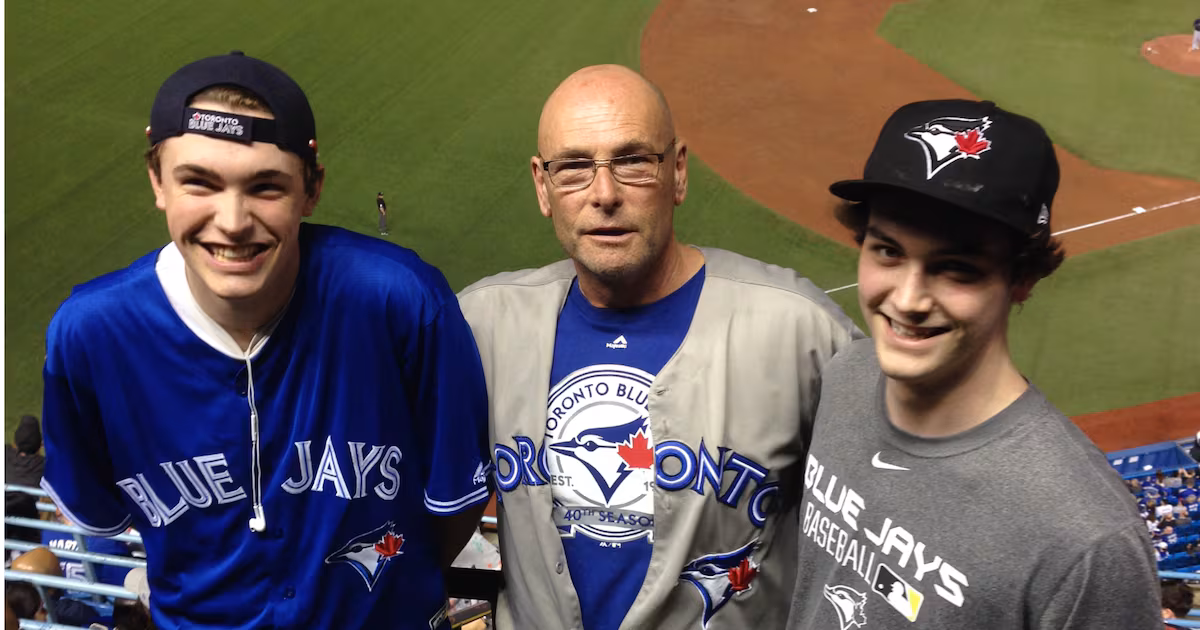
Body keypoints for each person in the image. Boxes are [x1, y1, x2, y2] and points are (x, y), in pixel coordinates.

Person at [40, 51, 491, 630]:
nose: (232, 220)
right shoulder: (89, 337)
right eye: (198, 182)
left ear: (312, 189)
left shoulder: (401, 301)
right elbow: (99, 510)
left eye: (266, 187)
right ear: (157, 180)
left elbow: (454, 507)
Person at [457, 64, 860, 630]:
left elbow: (884, 534)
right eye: (573, 167)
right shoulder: (482, 323)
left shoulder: (801, 331)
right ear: (542, 187)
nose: (604, 194)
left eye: (633, 161)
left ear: (678, 172)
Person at [785, 99, 1161, 628]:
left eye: (956, 268)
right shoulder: (849, 372)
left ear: (1022, 277)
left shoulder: (1087, 540)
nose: (909, 299)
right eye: (888, 251)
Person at [5, 415, 46, 544]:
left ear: (15, 443)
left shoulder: (5, 453)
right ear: (40, 444)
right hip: (29, 527)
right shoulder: (45, 465)